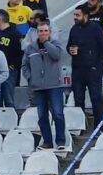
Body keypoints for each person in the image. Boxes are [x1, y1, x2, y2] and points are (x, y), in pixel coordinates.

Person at [22, 21, 69, 150]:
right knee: (42, 116)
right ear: (37, 33)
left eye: (45, 31)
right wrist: (31, 78)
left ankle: (60, 142)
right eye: (40, 31)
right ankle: (47, 142)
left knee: (58, 114)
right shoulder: (30, 48)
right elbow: (24, 65)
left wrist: (46, 43)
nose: (43, 33)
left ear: (50, 32)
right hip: (38, 87)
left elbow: (56, 56)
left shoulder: (56, 44)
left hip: (54, 86)